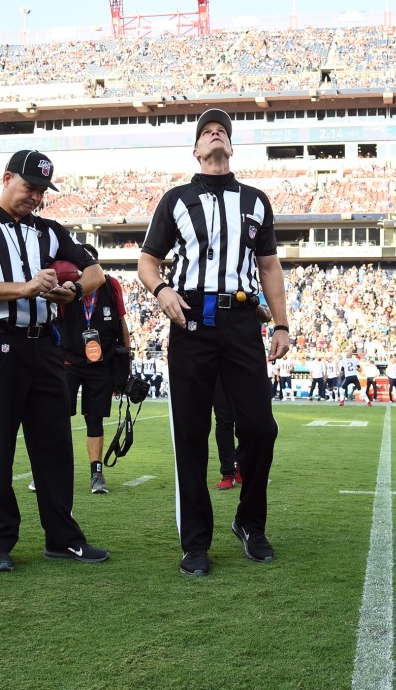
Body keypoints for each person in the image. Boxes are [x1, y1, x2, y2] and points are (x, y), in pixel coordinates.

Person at [138, 108, 290, 577]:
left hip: (242, 321)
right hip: (191, 323)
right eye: (206, 131)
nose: (215, 133)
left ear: (231, 146)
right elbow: (148, 261)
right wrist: (162, 292)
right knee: (190, 434)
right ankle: (195, 541)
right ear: (196, 150)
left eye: (221, 129)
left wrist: (281, 324)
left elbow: (268, 267)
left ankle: (249, 523)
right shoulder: (176, 199)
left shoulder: (256, 200)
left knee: (261, 428)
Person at [0, 149, 111, 573]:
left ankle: (63, 538)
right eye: (28, 188)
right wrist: (24, 288)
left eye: (41, 191)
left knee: (54, 444)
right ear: (6, 179)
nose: (35, 198)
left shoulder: (50, 231)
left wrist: (73, 293)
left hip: (46, 346)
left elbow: (95, 273)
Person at [56, 243, 130, 495]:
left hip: (102, 362)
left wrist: (126, 362)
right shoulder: (65, 288)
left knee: (95, 418)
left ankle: (96, 473)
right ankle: (49, 470)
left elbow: (121, 323)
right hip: (68, 360)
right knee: (57, 416)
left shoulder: (111, 285)